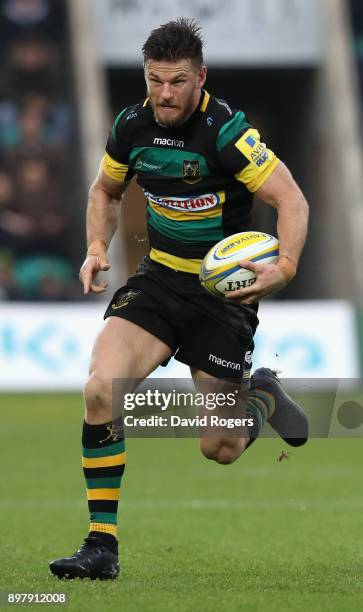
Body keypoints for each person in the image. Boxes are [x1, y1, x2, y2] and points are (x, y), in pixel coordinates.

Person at [49, 18, 309, 581]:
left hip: (221, 297)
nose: (164, 94)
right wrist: (97, 246)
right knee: (101, 389)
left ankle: (258, 396)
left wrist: (284, 267)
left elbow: (291, 200)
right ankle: (101, 546)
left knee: (219, 447)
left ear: (201, 78)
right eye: (155, 80)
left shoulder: (227, 133)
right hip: (160, 281)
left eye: (177, 82)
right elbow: (105, 189)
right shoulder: (131, 125)